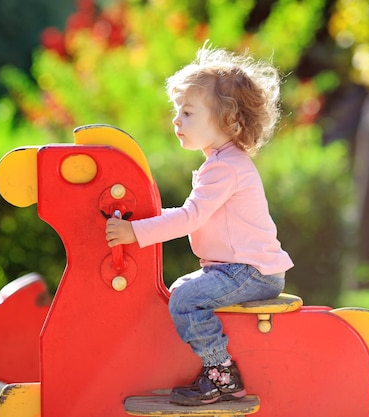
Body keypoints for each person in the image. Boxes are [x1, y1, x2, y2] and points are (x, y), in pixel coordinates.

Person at [105, 43, 294, 406]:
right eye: (178, 110)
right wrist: (143, 222)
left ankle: (221, 373)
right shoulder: (221, 163)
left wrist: (135, 232)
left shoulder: (225, 167)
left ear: (227, 120)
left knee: (185, 298)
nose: (177, 120)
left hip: (249, 272)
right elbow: (193, 211)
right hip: (238, 269)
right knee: (180, 290)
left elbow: (190, 217)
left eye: (188, 112)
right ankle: (209, 364)